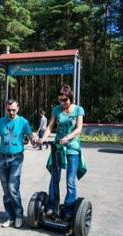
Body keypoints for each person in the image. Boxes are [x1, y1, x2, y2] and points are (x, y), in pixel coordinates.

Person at [37, 84, 87, 223]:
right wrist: (43, 138)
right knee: (54, 178)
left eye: (65, 100)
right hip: (58, 147)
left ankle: (69, 210)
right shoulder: (56, 110)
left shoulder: (78, 110)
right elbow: (50, 126)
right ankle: (53, 207)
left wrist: (68, 137)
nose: (62, 103)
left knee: (70, 181)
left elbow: (79, 129)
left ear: (70, 98)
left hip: (72, 147)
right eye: (60, 100)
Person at [0, 99, 36, 229]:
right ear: (5, 109)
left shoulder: (23, 122)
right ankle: (11, 217)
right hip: (2, 158)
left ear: (18, 109)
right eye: (9, 110)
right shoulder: (0, 122)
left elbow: (30, 136)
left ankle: (19, 215)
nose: (11, 112)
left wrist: (34, 141)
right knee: (6, 190)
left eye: (13, 110)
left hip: (16, 158)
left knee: (13, 187)